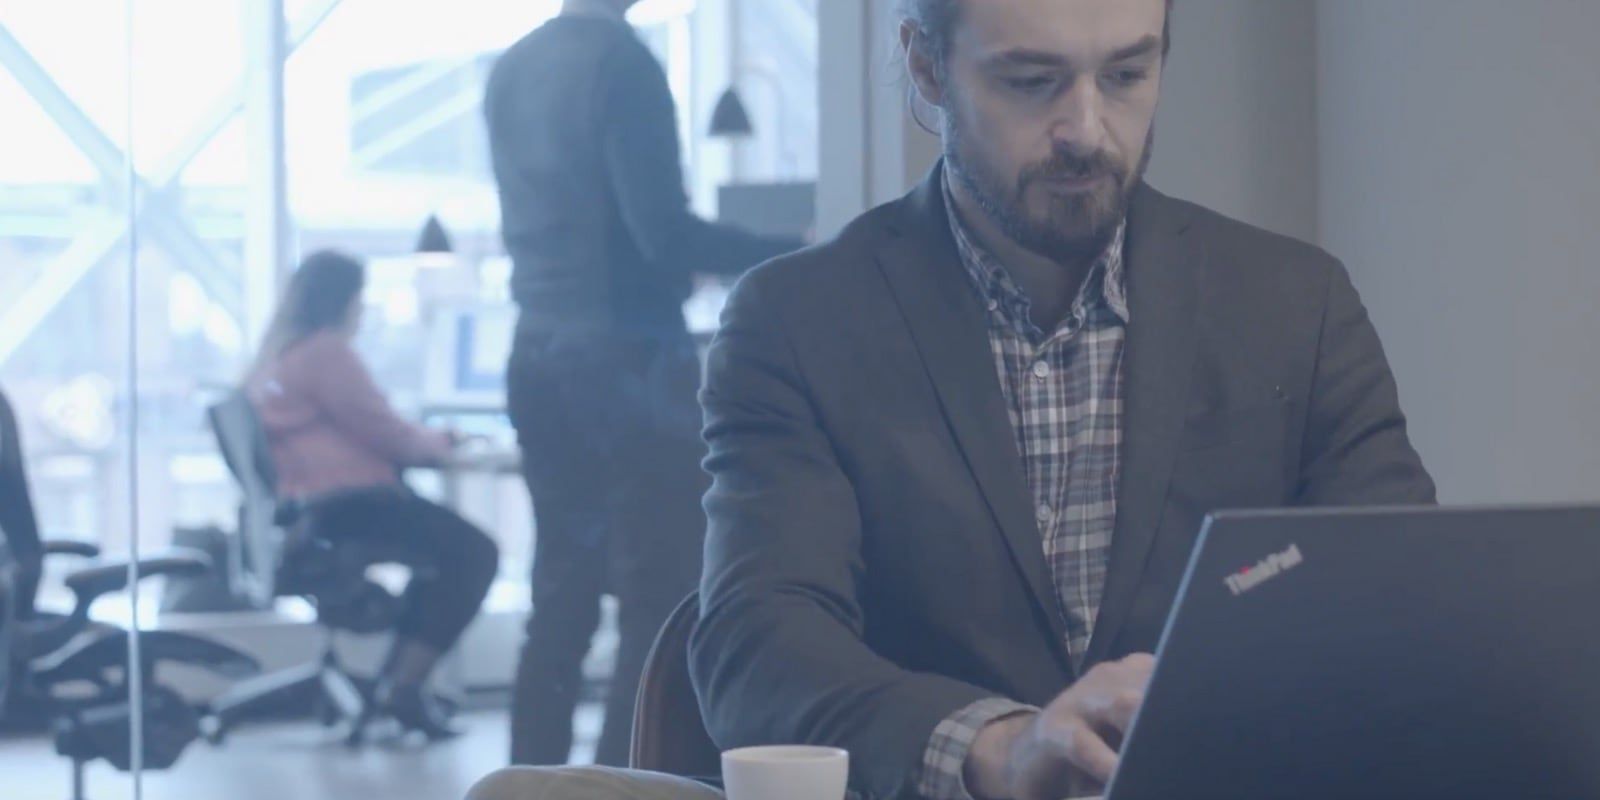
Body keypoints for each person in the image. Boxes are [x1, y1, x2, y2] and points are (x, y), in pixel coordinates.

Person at [469, 0, 1434, 798]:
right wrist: (1000, 746)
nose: (1087, 132)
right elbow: (761, 647)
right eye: (1030, 81)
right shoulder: (798, 323)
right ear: (927, 69)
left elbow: (1400, 605)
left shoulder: (1292, 303)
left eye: (1129, 75)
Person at [483, 0, 804, 768]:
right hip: (625, 365)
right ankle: (623, 787)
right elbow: (663, 236)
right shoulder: (622, 65)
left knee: (559, 595)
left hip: (536, 355)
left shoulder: (513, 66)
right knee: (656, 598)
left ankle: (529, 786)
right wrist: (797, 251)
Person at [247, 249, 500, 741]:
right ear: (345, 300)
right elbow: (386, 433)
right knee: (474, 551)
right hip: (350, 509)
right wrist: (444, 441)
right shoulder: (325, 352)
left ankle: (401, 686)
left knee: (442, 555)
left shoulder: (279, 356)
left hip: (316, 513)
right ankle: (404, 688)